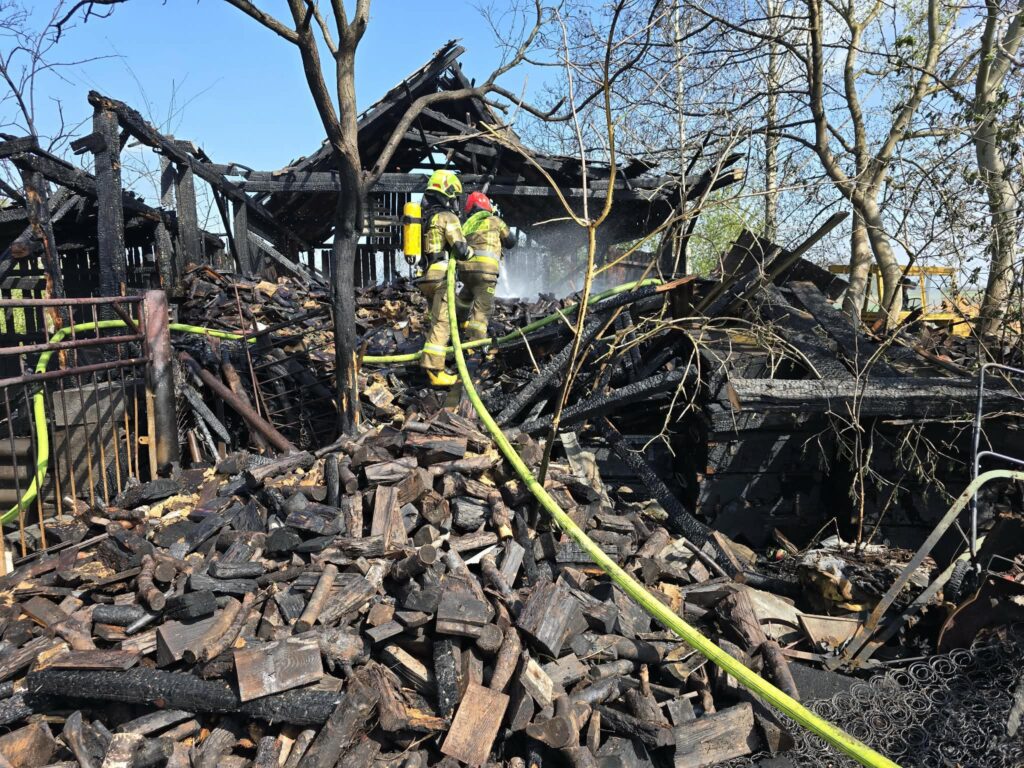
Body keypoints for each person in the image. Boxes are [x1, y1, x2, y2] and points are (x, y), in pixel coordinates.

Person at [417, 169, 470, 387]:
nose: (455, 202)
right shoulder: (447, 217)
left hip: (426, 277)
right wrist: (470, 252)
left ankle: (439, 359)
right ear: (447, 193)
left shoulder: (425, 218)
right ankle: (434, 370)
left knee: (436, 317)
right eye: (454, 197)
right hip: (441, 276)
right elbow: (461, 249)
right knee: (443, 322)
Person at [457, 192, 516, 341]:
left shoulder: (467, 225)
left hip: (466, 272)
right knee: (482, 310)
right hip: (485, 274)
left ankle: (458, 326)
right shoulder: (495, 221)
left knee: (464, 299)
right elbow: (511, 241)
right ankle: (475, 343)